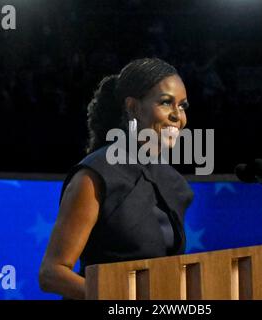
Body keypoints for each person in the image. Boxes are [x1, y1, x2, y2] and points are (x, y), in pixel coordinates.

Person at [39, 58, 194, 299]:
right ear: (133, 108)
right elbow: (52, 274)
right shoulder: (94, 175)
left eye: (182, 106)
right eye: (166, 103)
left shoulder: (175, 184)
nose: (177, 116)